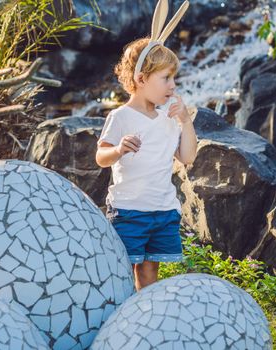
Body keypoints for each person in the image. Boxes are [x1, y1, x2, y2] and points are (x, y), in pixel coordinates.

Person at [95, 0, 197, 291]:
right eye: (166, 78)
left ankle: (144, 315)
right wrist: (118, 150)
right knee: (123, 269)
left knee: (150, 271)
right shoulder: (121, 117)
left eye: (173, 78)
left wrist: (186, 123)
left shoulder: (168, 117)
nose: (173, 85)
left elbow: (188, 156)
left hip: (162, 210)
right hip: (128, 211)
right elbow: (101, 157)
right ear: (141, 79)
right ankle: (120, 315)